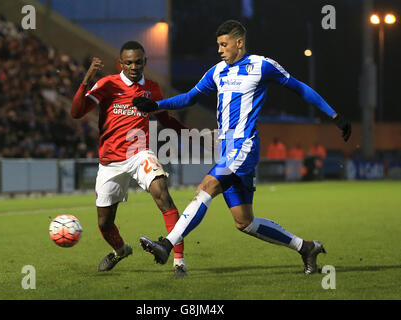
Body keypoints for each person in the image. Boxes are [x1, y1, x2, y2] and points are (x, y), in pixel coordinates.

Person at [133, 20, 351, 274]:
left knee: (206, 188)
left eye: (224, 45)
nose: (220, 50)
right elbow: (189, 97)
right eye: (218, 45)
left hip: (244, 146)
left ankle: (166, 244)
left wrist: (334, 116)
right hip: (227, 149)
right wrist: (155, 105)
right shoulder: (217, 71)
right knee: (244, 222)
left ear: (239, 43)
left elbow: (300, 88)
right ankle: (306, 247)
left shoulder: (262, 65)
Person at [71, 41, 190, 277]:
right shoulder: (107, 84)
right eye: (128, 62)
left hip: (139, 153)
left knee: (162, 193)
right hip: (110, 162)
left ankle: (179, 262)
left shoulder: (153, 89)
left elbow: (165, 119)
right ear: (120, 63)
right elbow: (76, 112)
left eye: (138, 62)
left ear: (145, 62)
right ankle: (121, 250)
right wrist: (87, 79)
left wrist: (190, 133)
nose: (133, 66)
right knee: (104, 224)